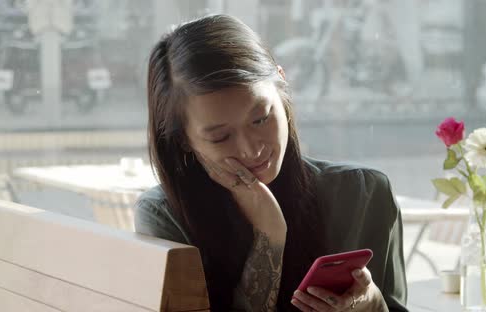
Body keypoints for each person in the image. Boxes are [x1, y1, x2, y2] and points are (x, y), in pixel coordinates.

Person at [135, 14, 408, 312]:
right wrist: (269, 235)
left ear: (282, 86)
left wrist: (372, 304)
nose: (252, 149)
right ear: (184, 140)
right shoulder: (165, 216)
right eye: (220, 137)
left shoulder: (363, 194)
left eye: (261, 118)